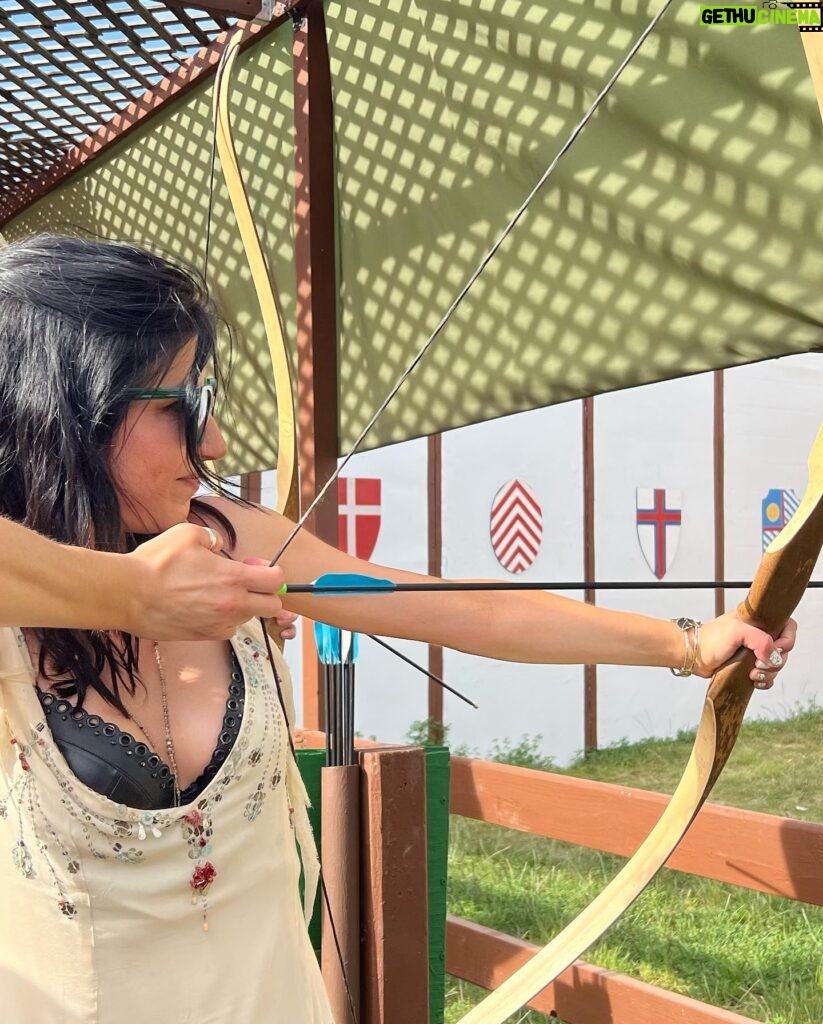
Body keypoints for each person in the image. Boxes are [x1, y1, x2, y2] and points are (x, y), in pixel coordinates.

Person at [0, 235, 795, 1024]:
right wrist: (129, 596)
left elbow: (453, 606)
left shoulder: (225, 538)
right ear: (67, 411)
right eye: (185, 406)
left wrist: (685, 643)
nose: (215, 444)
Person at [0, 515, 297, 640]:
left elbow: (344, 593)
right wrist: (142, 588)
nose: (213, 447)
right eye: (173, 406)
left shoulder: (219, 522)